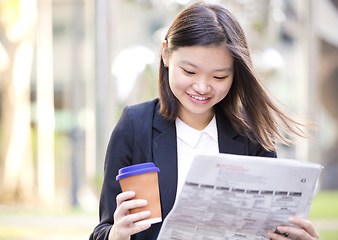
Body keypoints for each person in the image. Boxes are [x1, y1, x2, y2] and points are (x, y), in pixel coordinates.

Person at [90, 2, 319, 240]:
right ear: (166, 54)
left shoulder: (252, 134)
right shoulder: (136, 126)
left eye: (219, 76)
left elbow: (270, 230)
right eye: (189, 72)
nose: (201, 87)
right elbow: (102, 231)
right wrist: (117, 234)